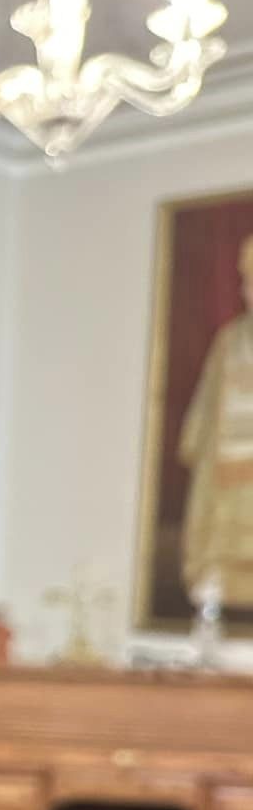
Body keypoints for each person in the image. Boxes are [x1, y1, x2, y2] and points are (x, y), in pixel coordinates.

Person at [178, 234, 253, 607]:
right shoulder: (228, 339)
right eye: (247, 282)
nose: (247, 291)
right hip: (226, 463)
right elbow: (208, 401)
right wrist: (195, 441)